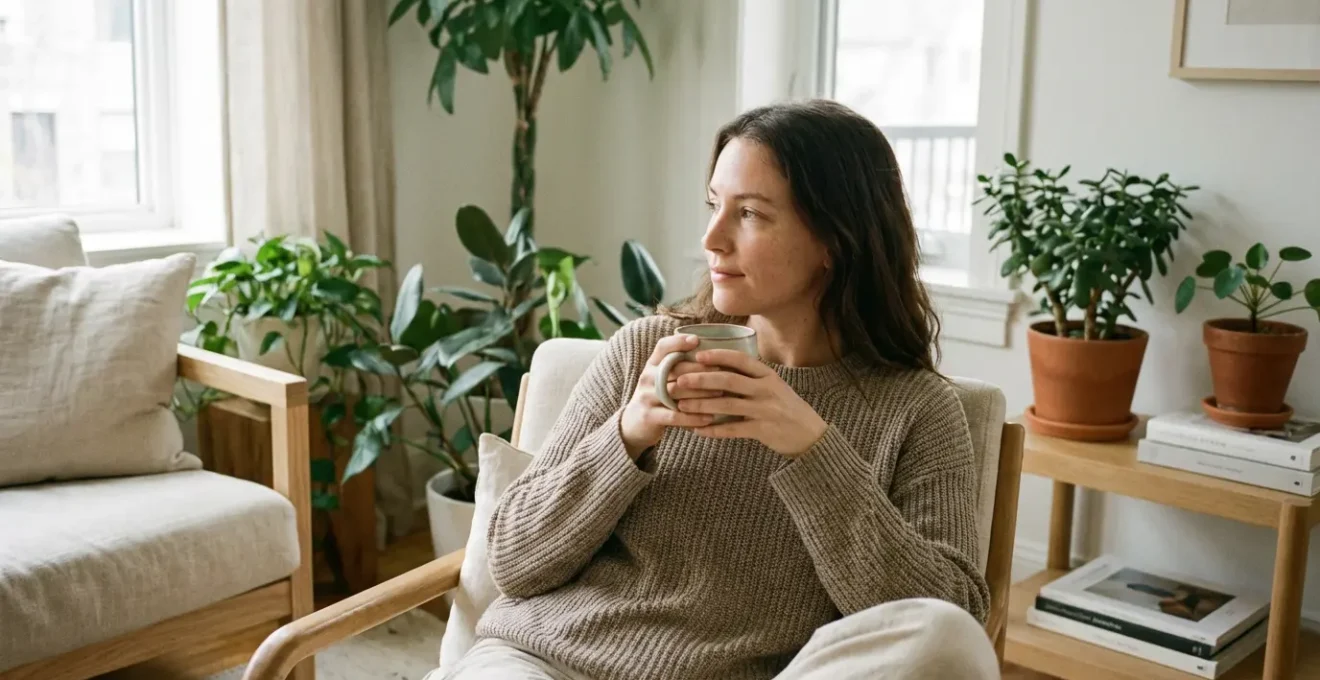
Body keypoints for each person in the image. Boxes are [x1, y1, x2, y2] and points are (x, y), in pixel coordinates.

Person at [442, 99, 1000, 680]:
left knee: (943, 633)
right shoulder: (644, 351)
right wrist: (626, 436)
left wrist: (813, 449)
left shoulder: (916, 409)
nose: (712, 238)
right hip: (547, 662)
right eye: (714, 205)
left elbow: (949, 624)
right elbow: (513, 562)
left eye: (751, 214)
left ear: (835, 240)